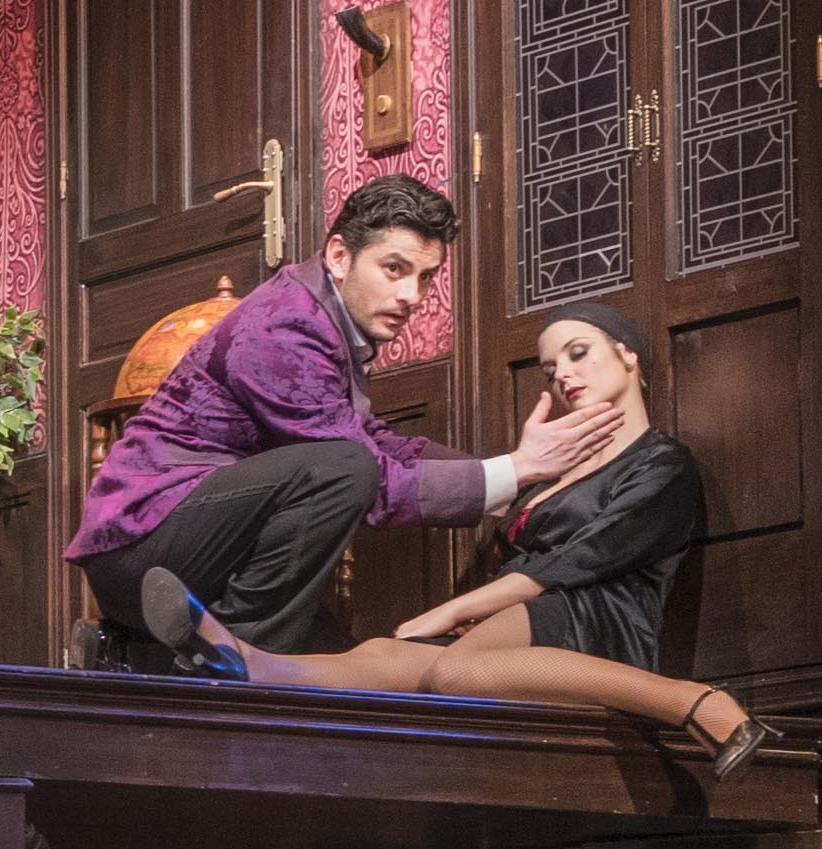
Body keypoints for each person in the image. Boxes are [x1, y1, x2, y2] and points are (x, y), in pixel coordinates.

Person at [122, 302, 784, 787]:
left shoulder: (663, 462)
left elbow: (580, 561)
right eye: (550, 368)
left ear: (629, 355)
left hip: (599, 626)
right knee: (386, 655)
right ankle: (246, 662)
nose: (563, 375)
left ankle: (696, 702)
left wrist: (452, 609)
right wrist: (523, 470)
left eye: (579, 353)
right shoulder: (553, 476)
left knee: (450, 672)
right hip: (530, 623)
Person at [68, 174, 610, 659]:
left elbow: (379, 444)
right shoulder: (284, 327)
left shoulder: (323, 318)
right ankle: (233, 665)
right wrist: (517, 469)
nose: (411, 295)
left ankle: (142, 656)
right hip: (142, 550)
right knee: (345, 468)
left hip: (194, 546)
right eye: (394, 269)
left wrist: (520, 483)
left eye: (425, 277)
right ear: (339, 256)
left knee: (346, 667)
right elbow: (367, 476)